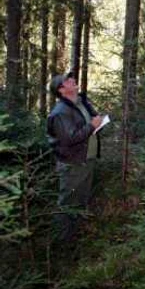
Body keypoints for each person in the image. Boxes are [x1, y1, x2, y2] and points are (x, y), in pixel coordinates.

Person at [47, 71, 104, 243]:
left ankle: (76, 237)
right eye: (67, 80)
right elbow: (69, 139)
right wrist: (91, 125)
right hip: (73, 164)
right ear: (61, 90)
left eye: (71, 79)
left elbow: (91, 123)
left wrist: (99, 122)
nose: (72, 80)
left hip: (87, 159)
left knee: (81, 199)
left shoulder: (81, 102)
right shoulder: (59, 112)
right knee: (68, 204)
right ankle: (62, 244)